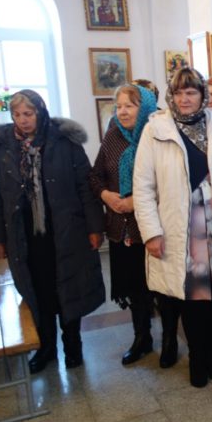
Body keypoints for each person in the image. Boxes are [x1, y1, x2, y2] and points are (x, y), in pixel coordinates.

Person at [0, 90, 105, 374]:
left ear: (40, 112)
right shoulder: (0, 148)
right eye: (17, 115)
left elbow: (86, 187)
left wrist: (95, 227)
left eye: (28, 114)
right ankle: (45, 346)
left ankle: (73, 344)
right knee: (38, 291)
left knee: (68, 287)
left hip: (66, 230)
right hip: (24, 236)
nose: (22, 120)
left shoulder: (64, 142)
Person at [133, 67, 212, 387]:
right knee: (192, 297)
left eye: (191, 92)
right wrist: (152, 232)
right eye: (178, 93)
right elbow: (143, 186)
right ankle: (196, 357)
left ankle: (211, 354)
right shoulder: (156, 129)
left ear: (202, 95)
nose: (184, 99)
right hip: (180, 223)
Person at [89, 84, 158, 366]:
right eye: (119, 106)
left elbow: (167, 181)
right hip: (121, 228)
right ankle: (142, 338)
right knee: (134, 289)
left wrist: (135, 201)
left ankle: (169, 340)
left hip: (152, 228)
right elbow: (95, 176)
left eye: (130, 105)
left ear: (145, 107)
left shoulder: (156, 135)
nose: (123, 111)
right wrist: (106, 195)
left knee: (160, 289)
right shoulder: (113, 136)